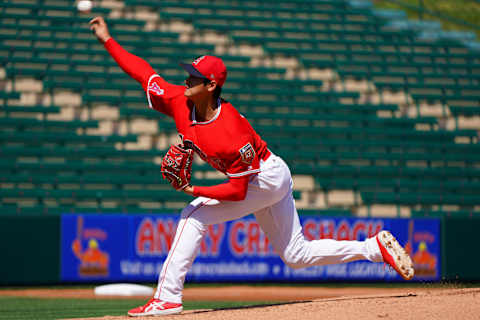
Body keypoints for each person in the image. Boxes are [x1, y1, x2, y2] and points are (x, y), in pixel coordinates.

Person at [89, 16, 414, 317]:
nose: (187, 79)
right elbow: (143, 73)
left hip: (265, 178)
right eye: (189, 73)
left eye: (196, 77)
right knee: (296, 255)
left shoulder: (232, 132)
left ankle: (168, 297)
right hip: (264, 177)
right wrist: (107, 39)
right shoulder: (179, 101)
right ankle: (373, 247)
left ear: (212, 86)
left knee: (192, 215)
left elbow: (237, 190)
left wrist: (194, 189)